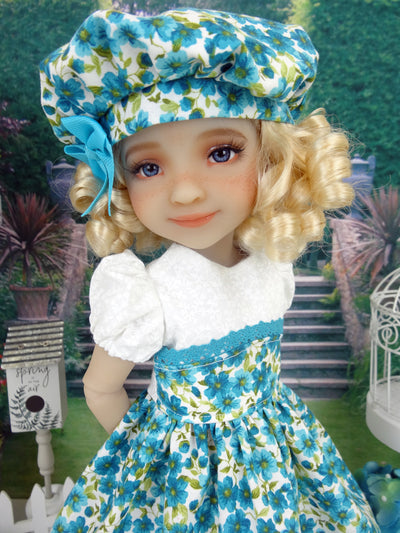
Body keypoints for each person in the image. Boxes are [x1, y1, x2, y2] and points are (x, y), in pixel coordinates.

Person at [40, 8, 379, 532]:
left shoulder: (271, 263)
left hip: (275, 455)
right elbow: (100, 388)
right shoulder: (149, 294)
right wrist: (147, 464)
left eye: (221, 152)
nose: (185, 191)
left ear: (270, 159)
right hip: (185, 479)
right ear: (122, 182)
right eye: (149, 167)